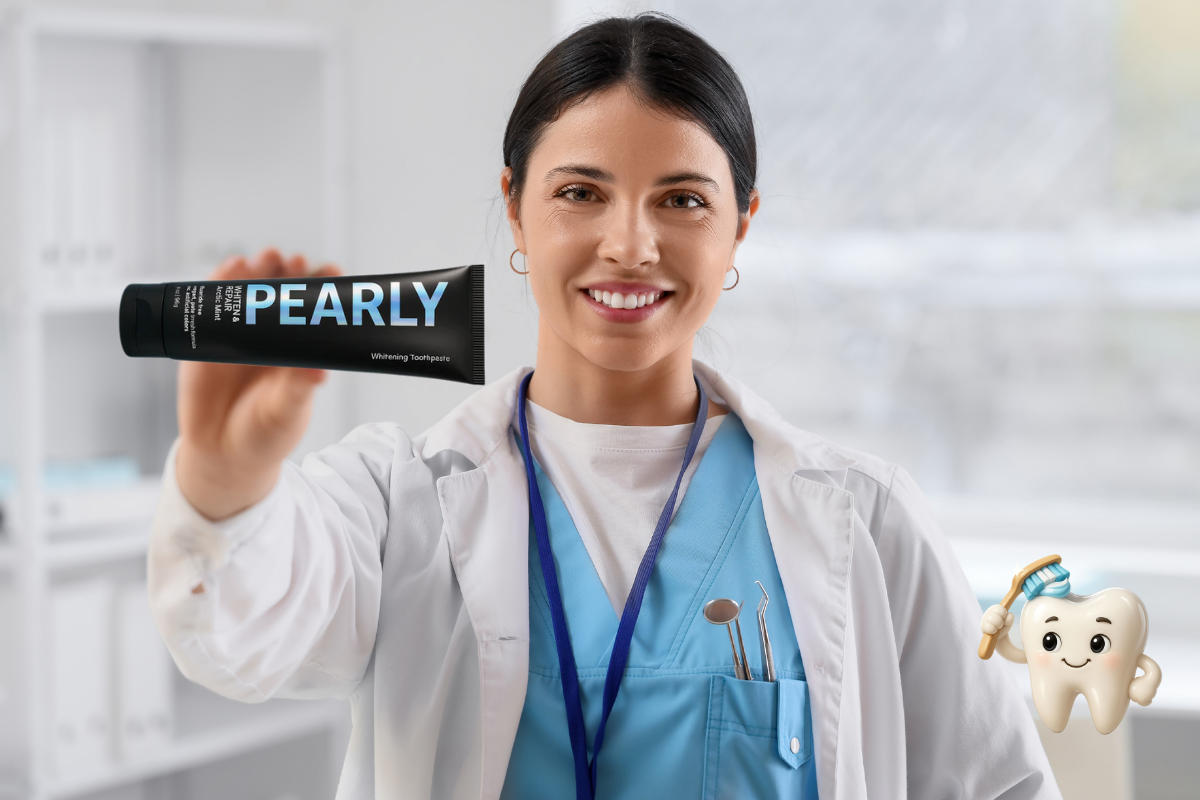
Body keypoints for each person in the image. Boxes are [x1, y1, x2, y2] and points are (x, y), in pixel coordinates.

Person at [148, 13, 1058, 800]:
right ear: (516, 210)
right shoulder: (402, 503)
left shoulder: (867, 520)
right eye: (580, 193)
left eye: (683, 200)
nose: (629, 244)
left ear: (741, 222)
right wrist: (227, 481)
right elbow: (242, 633)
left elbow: (999, 783)